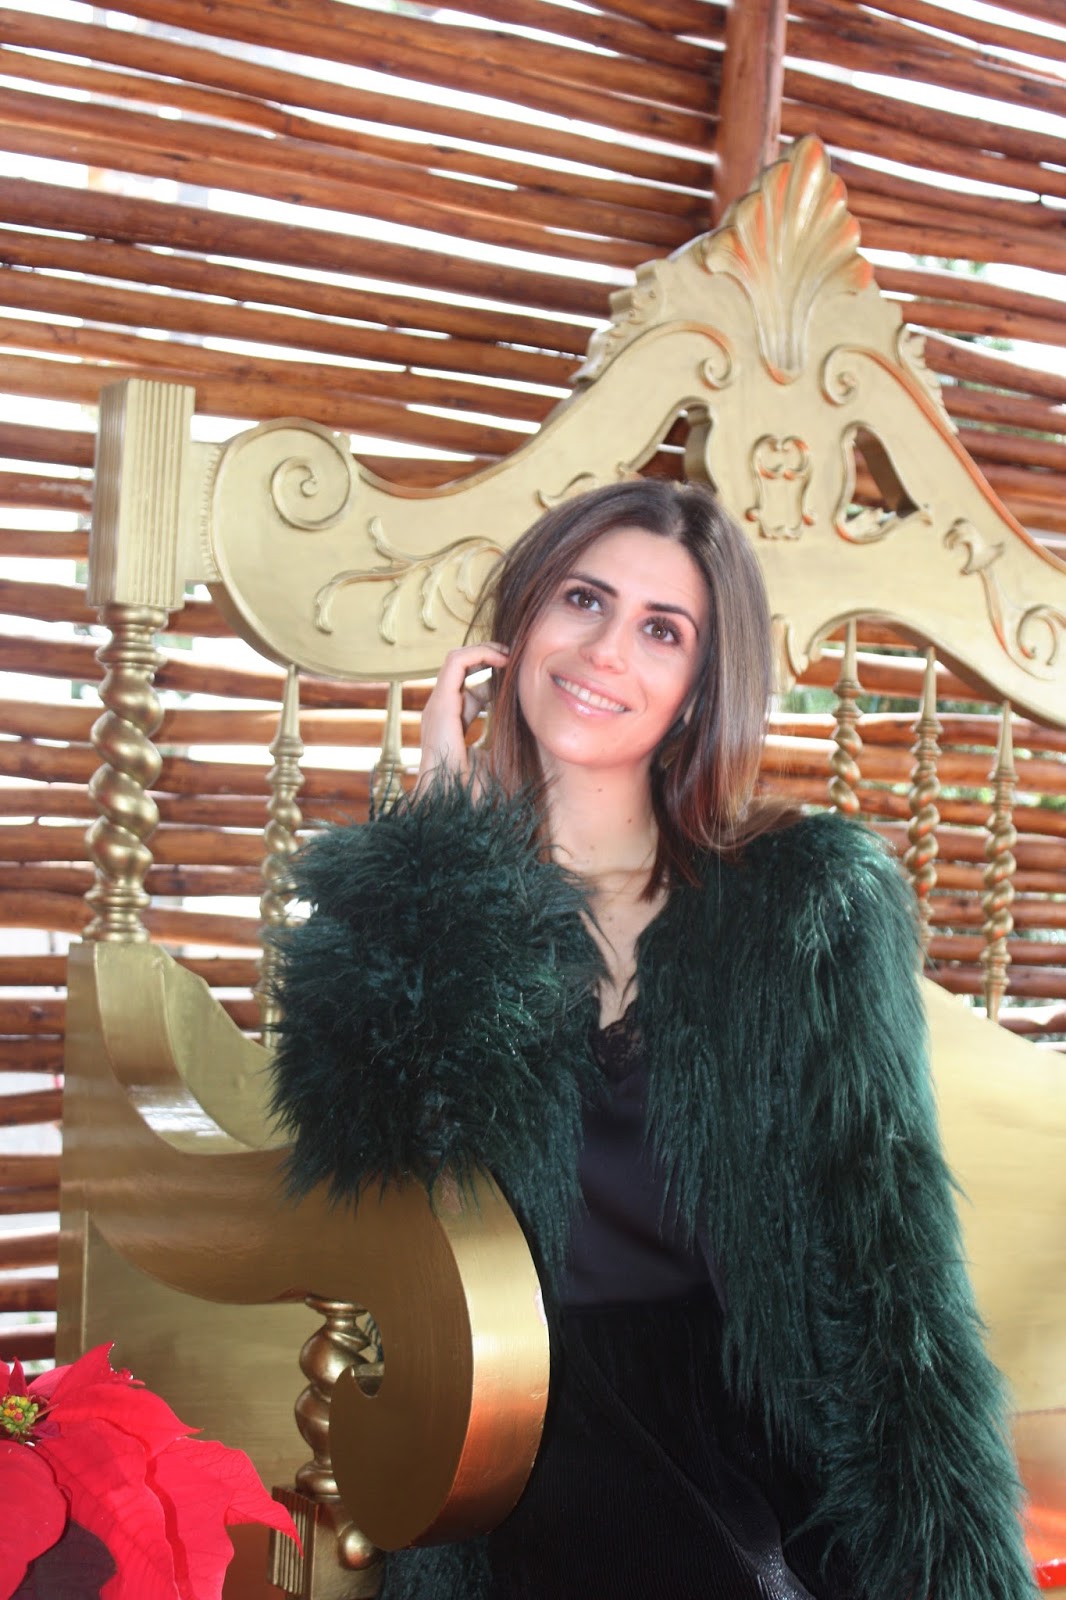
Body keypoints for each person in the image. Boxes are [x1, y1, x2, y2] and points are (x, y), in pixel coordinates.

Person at [271, 480, 1035, 1600]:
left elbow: (894, 1273)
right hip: (516, 1435)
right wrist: (445, 850)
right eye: (583, 599)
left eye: (661, 630)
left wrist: (956, 1572)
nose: (605, 650)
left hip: (763, 1448)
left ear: (695, 693)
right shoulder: (432, 902)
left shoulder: (807, 907)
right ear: (524, 617)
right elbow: (366, 1150)